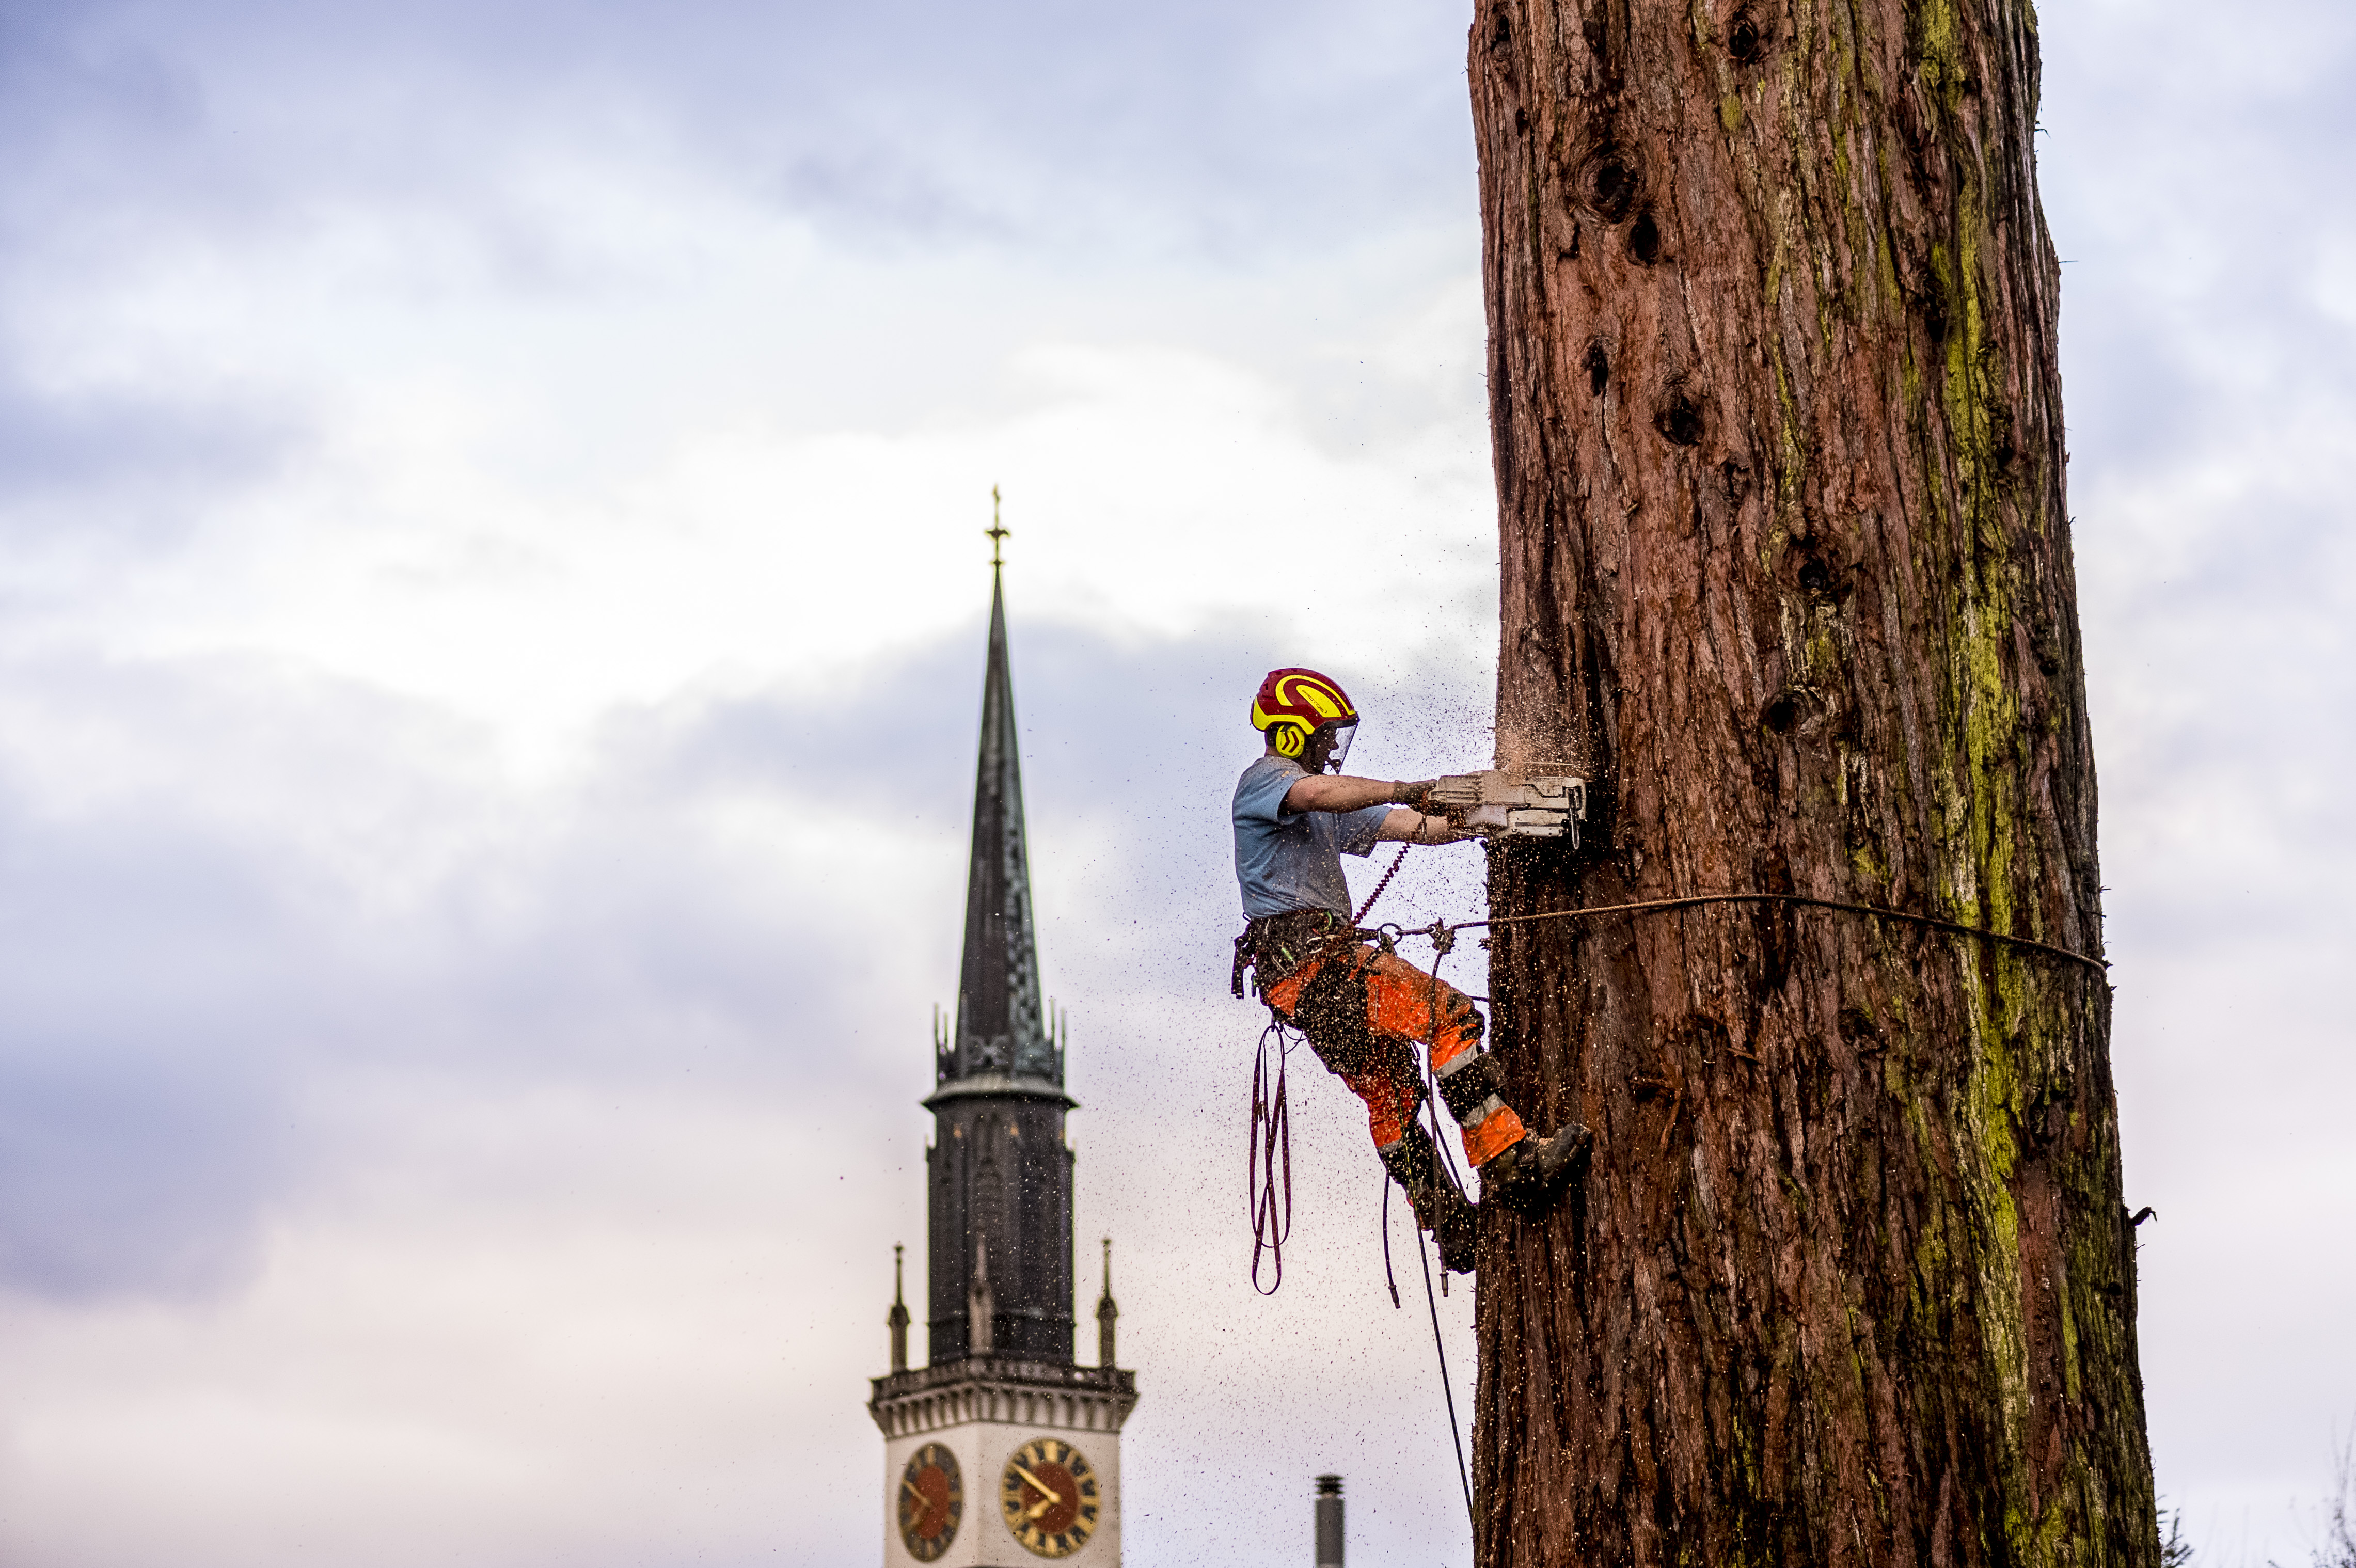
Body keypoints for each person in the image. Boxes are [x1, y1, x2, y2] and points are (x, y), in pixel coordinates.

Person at [1229, 668, 1590, 1272]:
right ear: (1292, 735)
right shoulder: (1268, 782)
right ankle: (1511, 1160)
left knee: (1390, 1090)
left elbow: (1414, 827)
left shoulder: (1324, 805)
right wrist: (1403, 784)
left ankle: (1448, 1221)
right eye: (1323, 737)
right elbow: (1325, 793)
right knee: (1448, 1016)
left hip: (1303, 985)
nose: (1329, 751)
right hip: (1318, 968)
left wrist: (1484, 817)